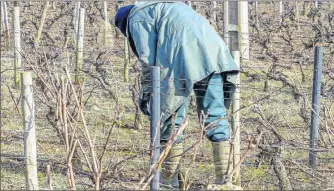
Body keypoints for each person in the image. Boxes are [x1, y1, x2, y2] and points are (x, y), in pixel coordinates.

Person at [115, 1, 240, 189]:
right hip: (213, 50)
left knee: (170, 116)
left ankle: (168, 182)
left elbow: (149, 62)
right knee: (215, 115)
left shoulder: (135, 17)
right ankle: (226, 181)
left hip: (182, 54)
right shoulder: (160, 6)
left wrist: (148, 95)